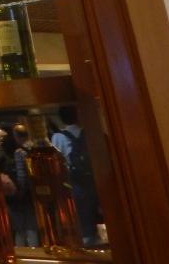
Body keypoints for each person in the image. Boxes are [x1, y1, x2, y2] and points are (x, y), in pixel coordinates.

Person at [50, 105, 101, 246]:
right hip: (94, 180)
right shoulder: (90, 133)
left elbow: (57, 163)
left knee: (80, 216)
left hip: (73, 183)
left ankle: (85, 242)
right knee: (96, 213)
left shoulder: (58, 137)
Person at [1, 122, 37, 246]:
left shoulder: (19, 152)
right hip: (33, 193)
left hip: (22, 196)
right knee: (32, 227)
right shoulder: (34, 148)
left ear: (16, 136)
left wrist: (19, 191)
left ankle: (23, 252)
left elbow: (21, 175)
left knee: (20, 229)